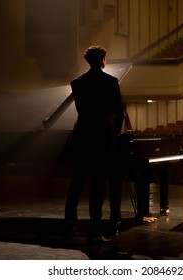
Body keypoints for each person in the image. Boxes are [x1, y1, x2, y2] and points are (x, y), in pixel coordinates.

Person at [64, 45, 124, 243]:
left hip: (82, 135)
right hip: (102, 138)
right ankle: (95, 230)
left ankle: (70, 227)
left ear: (88, 61)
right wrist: (114, 134)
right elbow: (119, 112)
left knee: (76, 183)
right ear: (103, 60)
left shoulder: (77, 83)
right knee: (98, 184)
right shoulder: (111, 81)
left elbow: (82, 111)